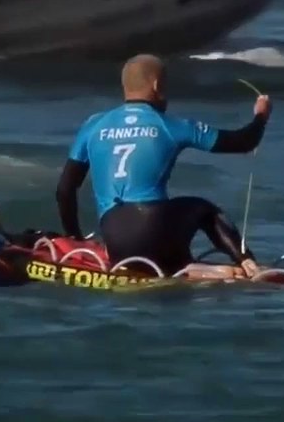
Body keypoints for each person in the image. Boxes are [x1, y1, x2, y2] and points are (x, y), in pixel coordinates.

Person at [55, 54, 271, 278]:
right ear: (157, 85)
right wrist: (261, 117)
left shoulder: (93, 125)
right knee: (204, 209)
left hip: (116, 239)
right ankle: (248, 265)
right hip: (155, 229)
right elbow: (244, 141)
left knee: (163, 248)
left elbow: (64, 191)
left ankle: (186, 267)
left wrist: (75, 238)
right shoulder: (170, 125)